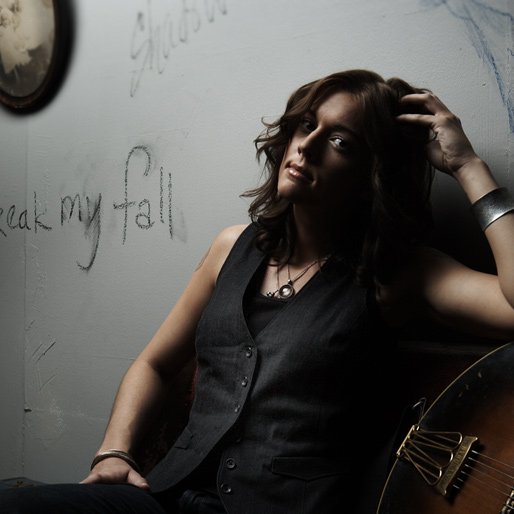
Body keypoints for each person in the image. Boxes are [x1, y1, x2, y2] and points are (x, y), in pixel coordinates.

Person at [2, 69, 514, 513]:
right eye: (306, 125)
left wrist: (468, 166)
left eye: (340, 142)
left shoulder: (396, 275)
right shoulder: (231, 247)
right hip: (166, 497)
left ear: (372, 174)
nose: (307, 145)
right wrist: (114, 452)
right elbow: (155, 364)